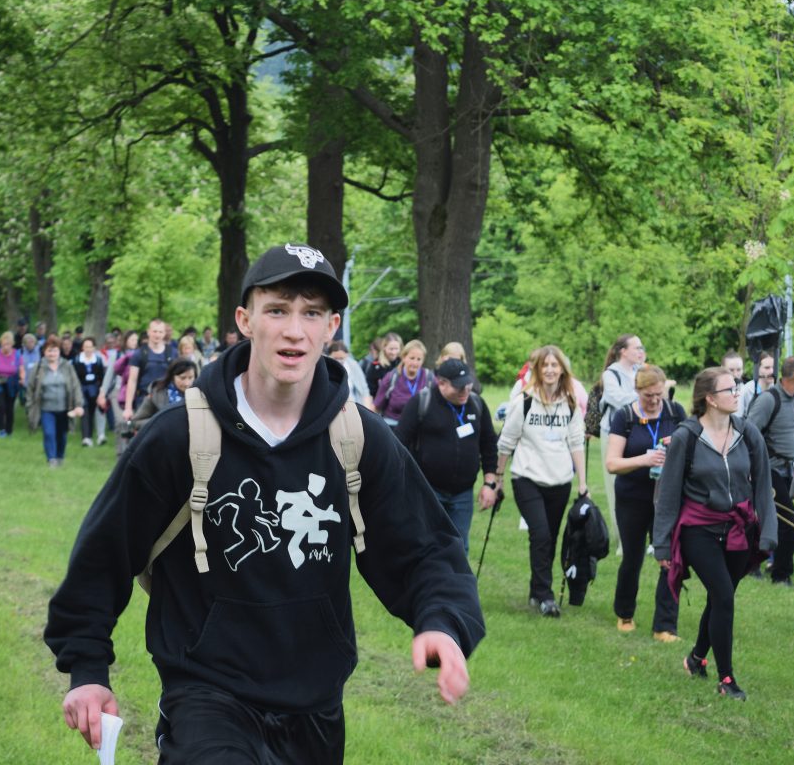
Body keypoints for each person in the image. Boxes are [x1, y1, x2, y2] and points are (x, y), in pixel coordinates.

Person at [45, 243, 482, 762]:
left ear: (331, 327)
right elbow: (104, 554)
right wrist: (87, 668)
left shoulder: (357, 438)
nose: (294, 330)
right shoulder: (181, 436)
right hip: (206, 695)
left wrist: (442, 622)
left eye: (311, 313)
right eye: (277, 310)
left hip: (315, 707)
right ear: (245, 320)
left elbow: (426, 548)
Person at [653, 367, 777, 701]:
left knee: (721, 598)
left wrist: (768, 530)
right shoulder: (686, 437)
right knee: (723, 596)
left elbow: (763, 484)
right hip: (699, 529)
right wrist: (662, 544)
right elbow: (667, 493)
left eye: (736, 387)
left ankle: (696, 658)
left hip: (739, 528)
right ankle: (726, 678)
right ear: (710, 398)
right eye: (729, 389)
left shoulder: (748, 432)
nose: (737, 393)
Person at [492, 345, 589, 618]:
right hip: (527, 477)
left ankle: (537, 591)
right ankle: (546, 596)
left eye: (554, 365)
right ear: (537, 369)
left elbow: (576, 443)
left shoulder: (570, 403)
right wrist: (498, 477)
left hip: (560, 480)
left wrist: (582, 482)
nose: (549, 370)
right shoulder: (524, 401)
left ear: (562, 370)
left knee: (551, 537)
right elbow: (506, 441)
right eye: (544, 365)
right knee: (541, 534)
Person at [605, 364, 684, 641]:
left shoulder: (675, 412)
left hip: (667, 498)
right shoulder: (624, 417)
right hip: (632, 498)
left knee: (670, 558)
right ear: (637, 391)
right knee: (633, 557)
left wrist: (678, 443)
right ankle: (625, 613)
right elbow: (612, 463)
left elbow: (692, 447)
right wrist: (644, 460)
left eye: (658, 395)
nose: (654, 401)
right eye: (648, 395)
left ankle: (665, 625)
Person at [395, 358, 499, 555]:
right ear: (441, 383)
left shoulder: (476, 404)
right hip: (428, 491)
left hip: (463, 494)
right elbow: (399, 444)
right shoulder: (422, 402)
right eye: (459, 387)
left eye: (468, 385)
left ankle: (456, 577)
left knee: (459, 546)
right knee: (426, 544)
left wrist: (489, 483)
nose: (465, 391)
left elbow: (489, 445)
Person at [746, 356, 794, 585]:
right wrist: (752, 469)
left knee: (767, 521)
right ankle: (781, 575)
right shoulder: (769, 400)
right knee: (789, 523)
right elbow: (749, 433)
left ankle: (753, 563)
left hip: (789, 473)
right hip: (768, 470)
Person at [598, 335, 646, 553]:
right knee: (616, 487)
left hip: (638, 433)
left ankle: (643, 538)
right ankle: (623, 541)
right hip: (613, 435)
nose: (641, 351)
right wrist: (642, 395)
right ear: (623, 351)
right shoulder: (611, 374)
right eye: (637, 347)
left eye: (642, 348)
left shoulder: (641, 371)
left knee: (639, 486)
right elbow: (616, 399)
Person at [27, 337, 84, 467]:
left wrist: (78, 404)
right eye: (49, 350)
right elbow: (30, 388)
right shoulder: (39, 367)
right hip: (46, 408)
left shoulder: (67, 366)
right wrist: (30, 405)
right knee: (49, 433)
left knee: (61, 435)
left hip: (64, 408)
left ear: (59, 351)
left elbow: (75, 386)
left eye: (55, 350)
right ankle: (51, 459)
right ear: (44, 352)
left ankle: (60, 457)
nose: (52, 354)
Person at [373, 339, 433, 426]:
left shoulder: (429, 378)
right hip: (394, 425)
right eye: (412, 358)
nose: (415, 363)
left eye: (419, 359)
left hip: (420, 427)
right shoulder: (391, 377)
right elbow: (376, 406)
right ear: (404, 357)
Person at [130, 357, 199, 433]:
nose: (187, 383)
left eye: (191, 378)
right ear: (172, 377)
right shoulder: (157, 394)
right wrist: (160, 423)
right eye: (182, 378)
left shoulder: (200, 395)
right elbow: (136, 422)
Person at [123, 319, 172, 422]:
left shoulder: (172, 353)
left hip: (166, 400)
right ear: (148, 332)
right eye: (154, 331)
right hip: (144, 400)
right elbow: (132, 381)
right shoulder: (139, 354)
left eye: (160, 332)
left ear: (164, 333)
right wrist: (128, 408)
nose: (157, 335)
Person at [0, 331, 24, 437]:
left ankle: (9, 430)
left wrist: (22, 378)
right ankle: (1, 429)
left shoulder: (17, 354)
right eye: (3, 344)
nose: (5, 347)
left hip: (12, 382)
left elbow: (21, 369)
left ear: (12, 344)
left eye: (8, 344)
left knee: (10, 407)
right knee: (1, 405)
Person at [73, 337, 107, 446]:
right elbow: (75, 377)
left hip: (95, 389)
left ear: (94, 348)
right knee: (85, 411)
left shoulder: (98, 360)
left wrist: (101, 390)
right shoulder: (77, 360)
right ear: (82, 348)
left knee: (97, 410)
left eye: (90, 347)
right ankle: (86, 437)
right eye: (86, 347)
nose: (88, 349)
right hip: (82, 389)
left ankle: (100, 435)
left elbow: (102, 376)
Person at [326, 341, 375, 409]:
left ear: (347, 355)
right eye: (335, 358)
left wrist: (367, 408)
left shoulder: (353, 365)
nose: (338, 361)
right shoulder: (324, 367)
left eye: (341, 358)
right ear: (329, 356)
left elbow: (364, 389)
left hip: (353, 405)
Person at [364, 332, 401, 400]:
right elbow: (370, 390)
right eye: (391, 349)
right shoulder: (375, 366)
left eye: (396, 349)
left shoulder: (402, 363)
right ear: (384, 347)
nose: (394, 352)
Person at [739, 350, 775, 418]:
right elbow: (737, 418)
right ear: (757, 369)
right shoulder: (746, 391)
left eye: (773, 367)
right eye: (767, 368)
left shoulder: (778, 389)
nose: (771, 371)